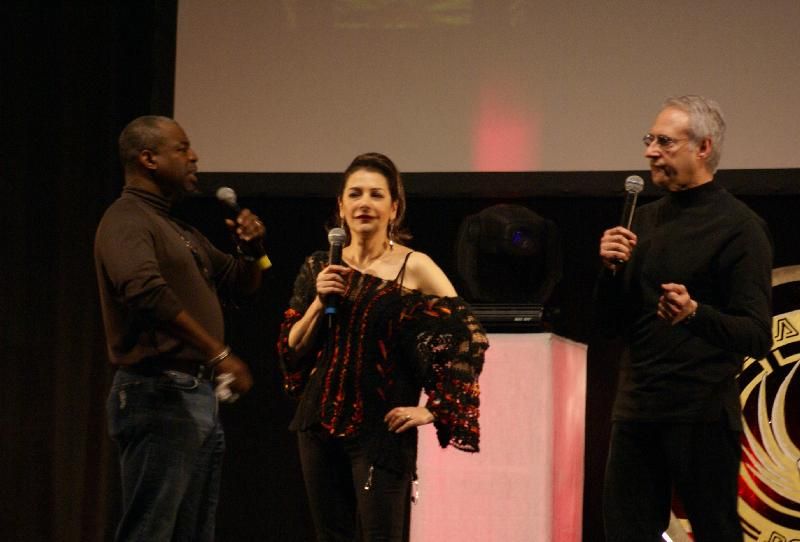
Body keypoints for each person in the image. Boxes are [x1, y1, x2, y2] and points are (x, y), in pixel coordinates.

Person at [277, 152, 488, 541]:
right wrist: (319, 303)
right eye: (355, 194)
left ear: (394, 208)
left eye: (376, 195)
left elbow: (469, 337)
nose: (365, 203)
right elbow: (291, 349)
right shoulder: (320, 266)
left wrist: (434, 409)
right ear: (341, 206)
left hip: (382, 429)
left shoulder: (415, 266)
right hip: (318, 423)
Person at [596, 95, 773, 541]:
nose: (650, 152)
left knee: (715, 531)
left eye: (665, 142)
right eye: (649, 139)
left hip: (701, 414)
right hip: (636, 410)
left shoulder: (740, 227)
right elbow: (606, 326)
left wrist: (695, 314)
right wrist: (609, 271)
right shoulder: (640, 221)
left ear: (703, 147)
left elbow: (756, 335)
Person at [95, 115, 267, 541]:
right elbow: (146, 293)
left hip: (194, 394)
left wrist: (251, 251)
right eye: (182, 148)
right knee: (150, 530)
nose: (194, 157)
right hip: (158, 393)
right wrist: (219, 353)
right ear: (148, 159)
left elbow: (240, 284)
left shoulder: (178, 229)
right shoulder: (126, 219)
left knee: (192, 533)